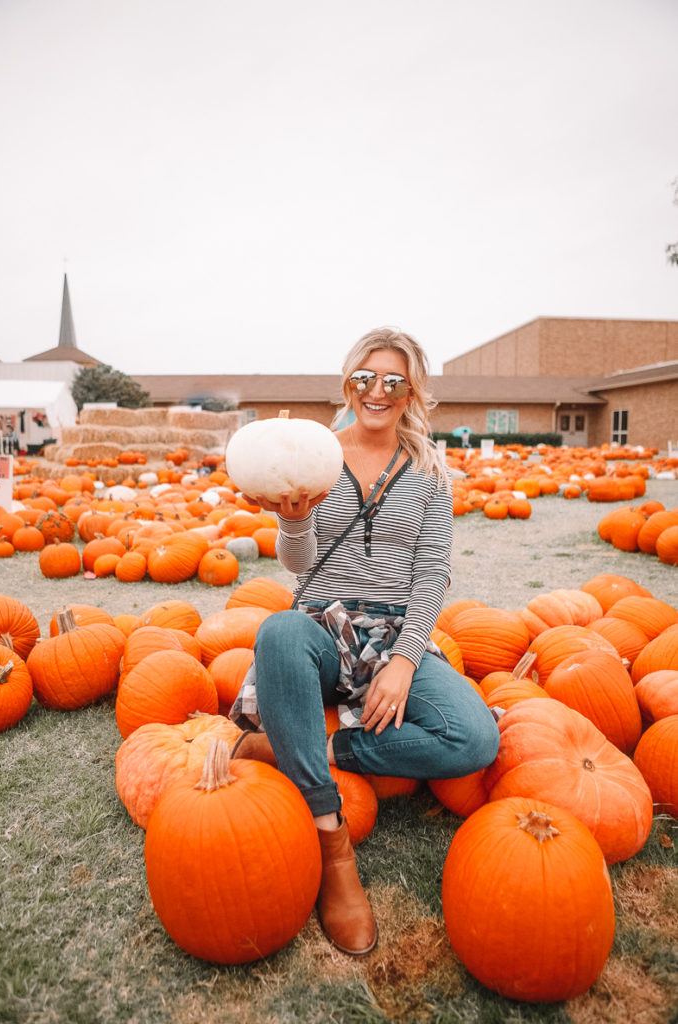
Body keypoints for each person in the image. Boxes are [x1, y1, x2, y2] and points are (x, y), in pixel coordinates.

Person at [230, 327, 499, 957]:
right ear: (348, 383)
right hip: (323, 625)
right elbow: (298, 565)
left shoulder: (431, 470)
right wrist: (293, 520)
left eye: (392, 381)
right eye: (364, 378)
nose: (376, 392)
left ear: (412, 392)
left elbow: (432, 574)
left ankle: (299, 748)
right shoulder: (315, 456)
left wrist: (405, 660)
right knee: (278, 629)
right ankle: (332, 844)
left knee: (474, 738)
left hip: (395, 633)